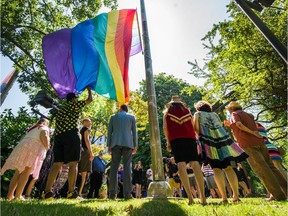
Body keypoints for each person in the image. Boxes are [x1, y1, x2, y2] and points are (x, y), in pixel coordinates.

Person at [224, 101, 287, 201]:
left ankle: (278, 195)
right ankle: (286, 191)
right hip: (260, 143)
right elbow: (241, 126)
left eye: (228, 110)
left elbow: (239, 125)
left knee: (262, 169)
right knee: (271, 167)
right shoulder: (248, 115)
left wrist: (252, 133)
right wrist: (231, 125)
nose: (228, 113)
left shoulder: (234, 114)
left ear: (231, 109)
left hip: (249, 145)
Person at [42, 87, 93, 200]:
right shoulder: (73, 105)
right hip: (71, 135)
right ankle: (71, 192)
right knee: (73, 164)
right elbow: (89, 100)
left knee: (56, 165)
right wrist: (89, 90)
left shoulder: (60, 110)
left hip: (59, 137)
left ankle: (47, 192)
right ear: (73, 99)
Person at [193, 100, 248, 204]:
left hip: (209, 143)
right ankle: (236, 196)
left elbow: (195, 128)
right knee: (228, 168)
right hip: (223, 141)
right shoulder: (214, 114)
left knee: (216, 169)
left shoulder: (197, 114)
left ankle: (224, 198)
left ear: (198, 108)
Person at [163, 96, 206, 205]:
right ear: (181, 103)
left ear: (171, 104)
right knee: (195, 164)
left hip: (176, 140)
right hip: (190, 139)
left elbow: (165, 128)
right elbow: (192, 125)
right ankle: (203, 197)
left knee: (181, 165)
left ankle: (190, 198)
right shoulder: (187, 111)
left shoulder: (167, 113)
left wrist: (168, 142)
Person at [1, 118, 50, 201]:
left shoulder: (31, 129)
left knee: (18, 172)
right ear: (46, 123)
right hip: (32, 150)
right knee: (26, 172)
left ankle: (9, 196)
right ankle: (18, 195)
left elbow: (21, 139)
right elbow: (44, 136)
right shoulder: (44, 128)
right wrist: (47, 146)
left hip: (21, 149)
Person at [107, 104, 138, 199]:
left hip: (115, 144)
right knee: (127, 167)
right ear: (127, 110)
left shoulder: (113, 117)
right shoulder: (131, 117)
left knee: (114, 168)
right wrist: (135, 145)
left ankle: (112, 194)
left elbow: (109, 132)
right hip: (128, 144)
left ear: (120, 109)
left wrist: (109, 145)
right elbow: (134, 132)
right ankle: (127, 194)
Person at [78, 118, 94, 197]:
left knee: (80, 172)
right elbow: (87, 140)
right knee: (84, 173)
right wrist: (91, 152)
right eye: (88, 121)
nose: (90, 123)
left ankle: (76, 191)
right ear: (84, 122)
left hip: (80, 151)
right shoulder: (86, 129)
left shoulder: (80, 130)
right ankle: (79, 193)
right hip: (85, 151)